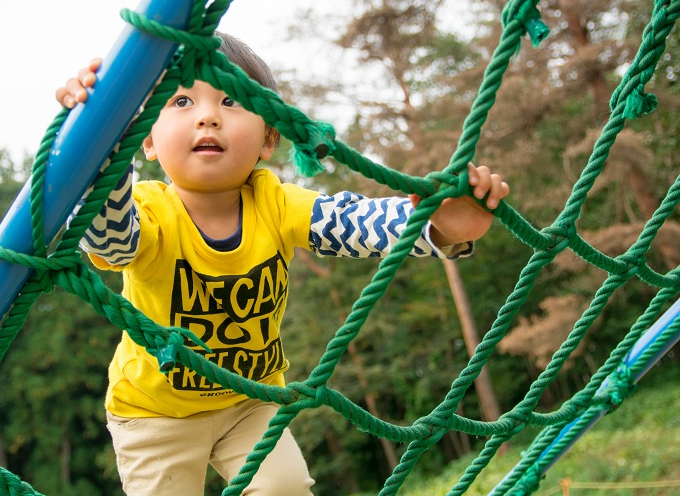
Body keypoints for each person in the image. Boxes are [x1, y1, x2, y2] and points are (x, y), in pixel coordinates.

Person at [57, 32, 510, 495]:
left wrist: (437, 226)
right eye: (181, 101)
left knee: (286, 488)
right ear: (147, 138)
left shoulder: (272, 202)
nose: (208, 116)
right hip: (155, 411)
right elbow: (110, 241)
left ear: (269, 137)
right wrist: (101, 142)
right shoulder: (149, 211)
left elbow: (347, 222)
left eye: (231, 100)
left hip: (250, 402)